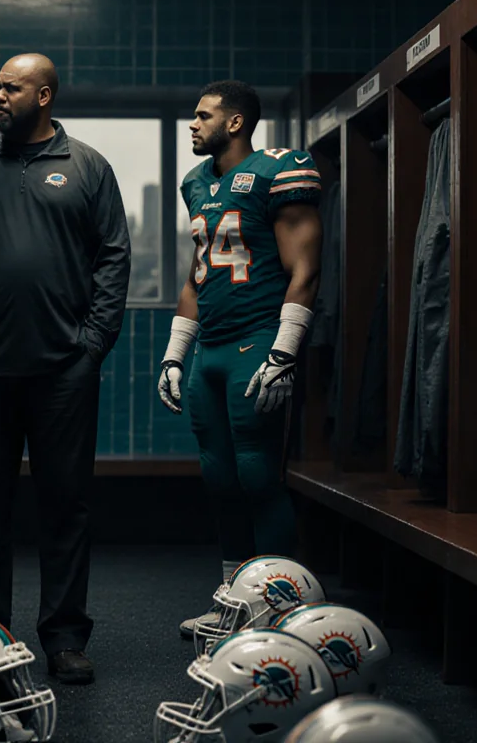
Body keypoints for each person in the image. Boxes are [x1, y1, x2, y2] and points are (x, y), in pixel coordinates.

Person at [0, 53, 131, 685]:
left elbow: (114, 256)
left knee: (64, 507)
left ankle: (65, 638)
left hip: (63, 369)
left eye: (11, 87)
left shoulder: (88, 166)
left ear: (43, 96)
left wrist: (93, 344)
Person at [156, 80, 323, 640]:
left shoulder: (279, 169)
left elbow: (305, 269)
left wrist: (284, 352)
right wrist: (175, 355)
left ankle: (280, 604)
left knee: (257, 476)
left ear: (234, 122)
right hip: (211, 348)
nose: (193, 125)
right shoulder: (196, 183)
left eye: (203, 116)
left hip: (257, 339)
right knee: (219, 478)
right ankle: (235, 602)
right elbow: (197, 272)